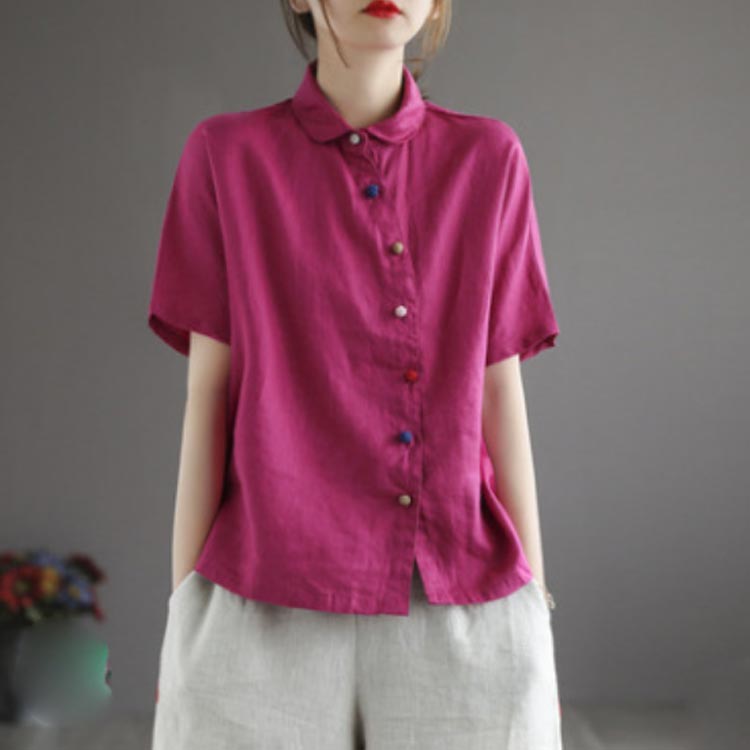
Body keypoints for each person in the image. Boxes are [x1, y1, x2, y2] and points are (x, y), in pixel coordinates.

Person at [147, 1, 564, 748]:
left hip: (459, 599)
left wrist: (536, 606)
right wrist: (185, 616)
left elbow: (500, 392)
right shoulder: (226, 156)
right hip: (261, 601)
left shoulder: (489, 158)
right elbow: (207, 396)